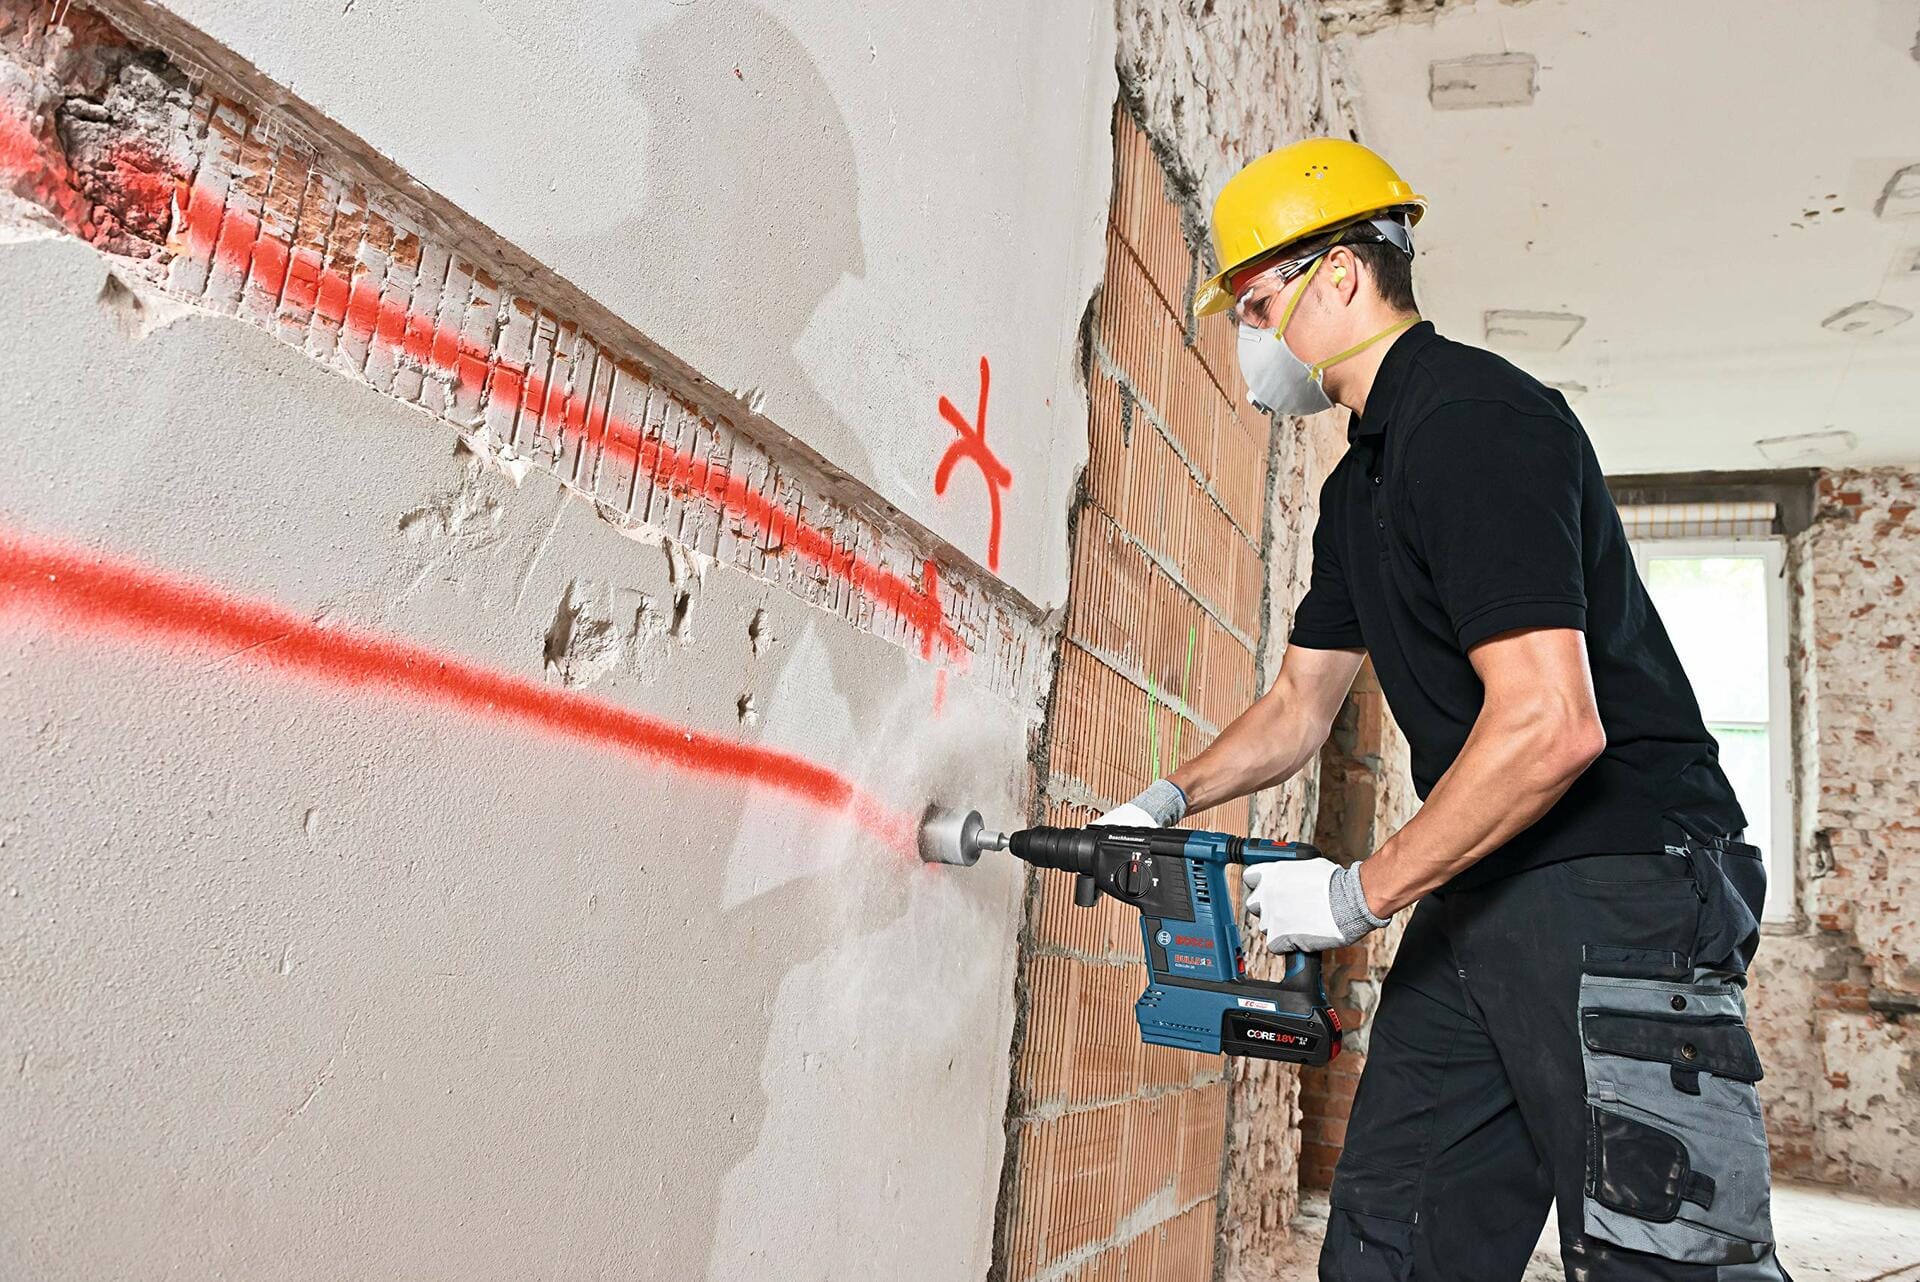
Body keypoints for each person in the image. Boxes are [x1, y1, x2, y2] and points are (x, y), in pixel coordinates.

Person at [1099, 139, 1792, 1281]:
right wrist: (1162, 801)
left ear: (1339, 276)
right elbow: (1295, 706)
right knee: (1390, 1246)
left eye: (1259, 301)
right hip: (1484, 889)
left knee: (1663, 1261)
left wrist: (1356, 892)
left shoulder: (1474, 420)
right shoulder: (1357, 482)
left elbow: (1552, 725)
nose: (1250, 339)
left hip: (1618, 884)